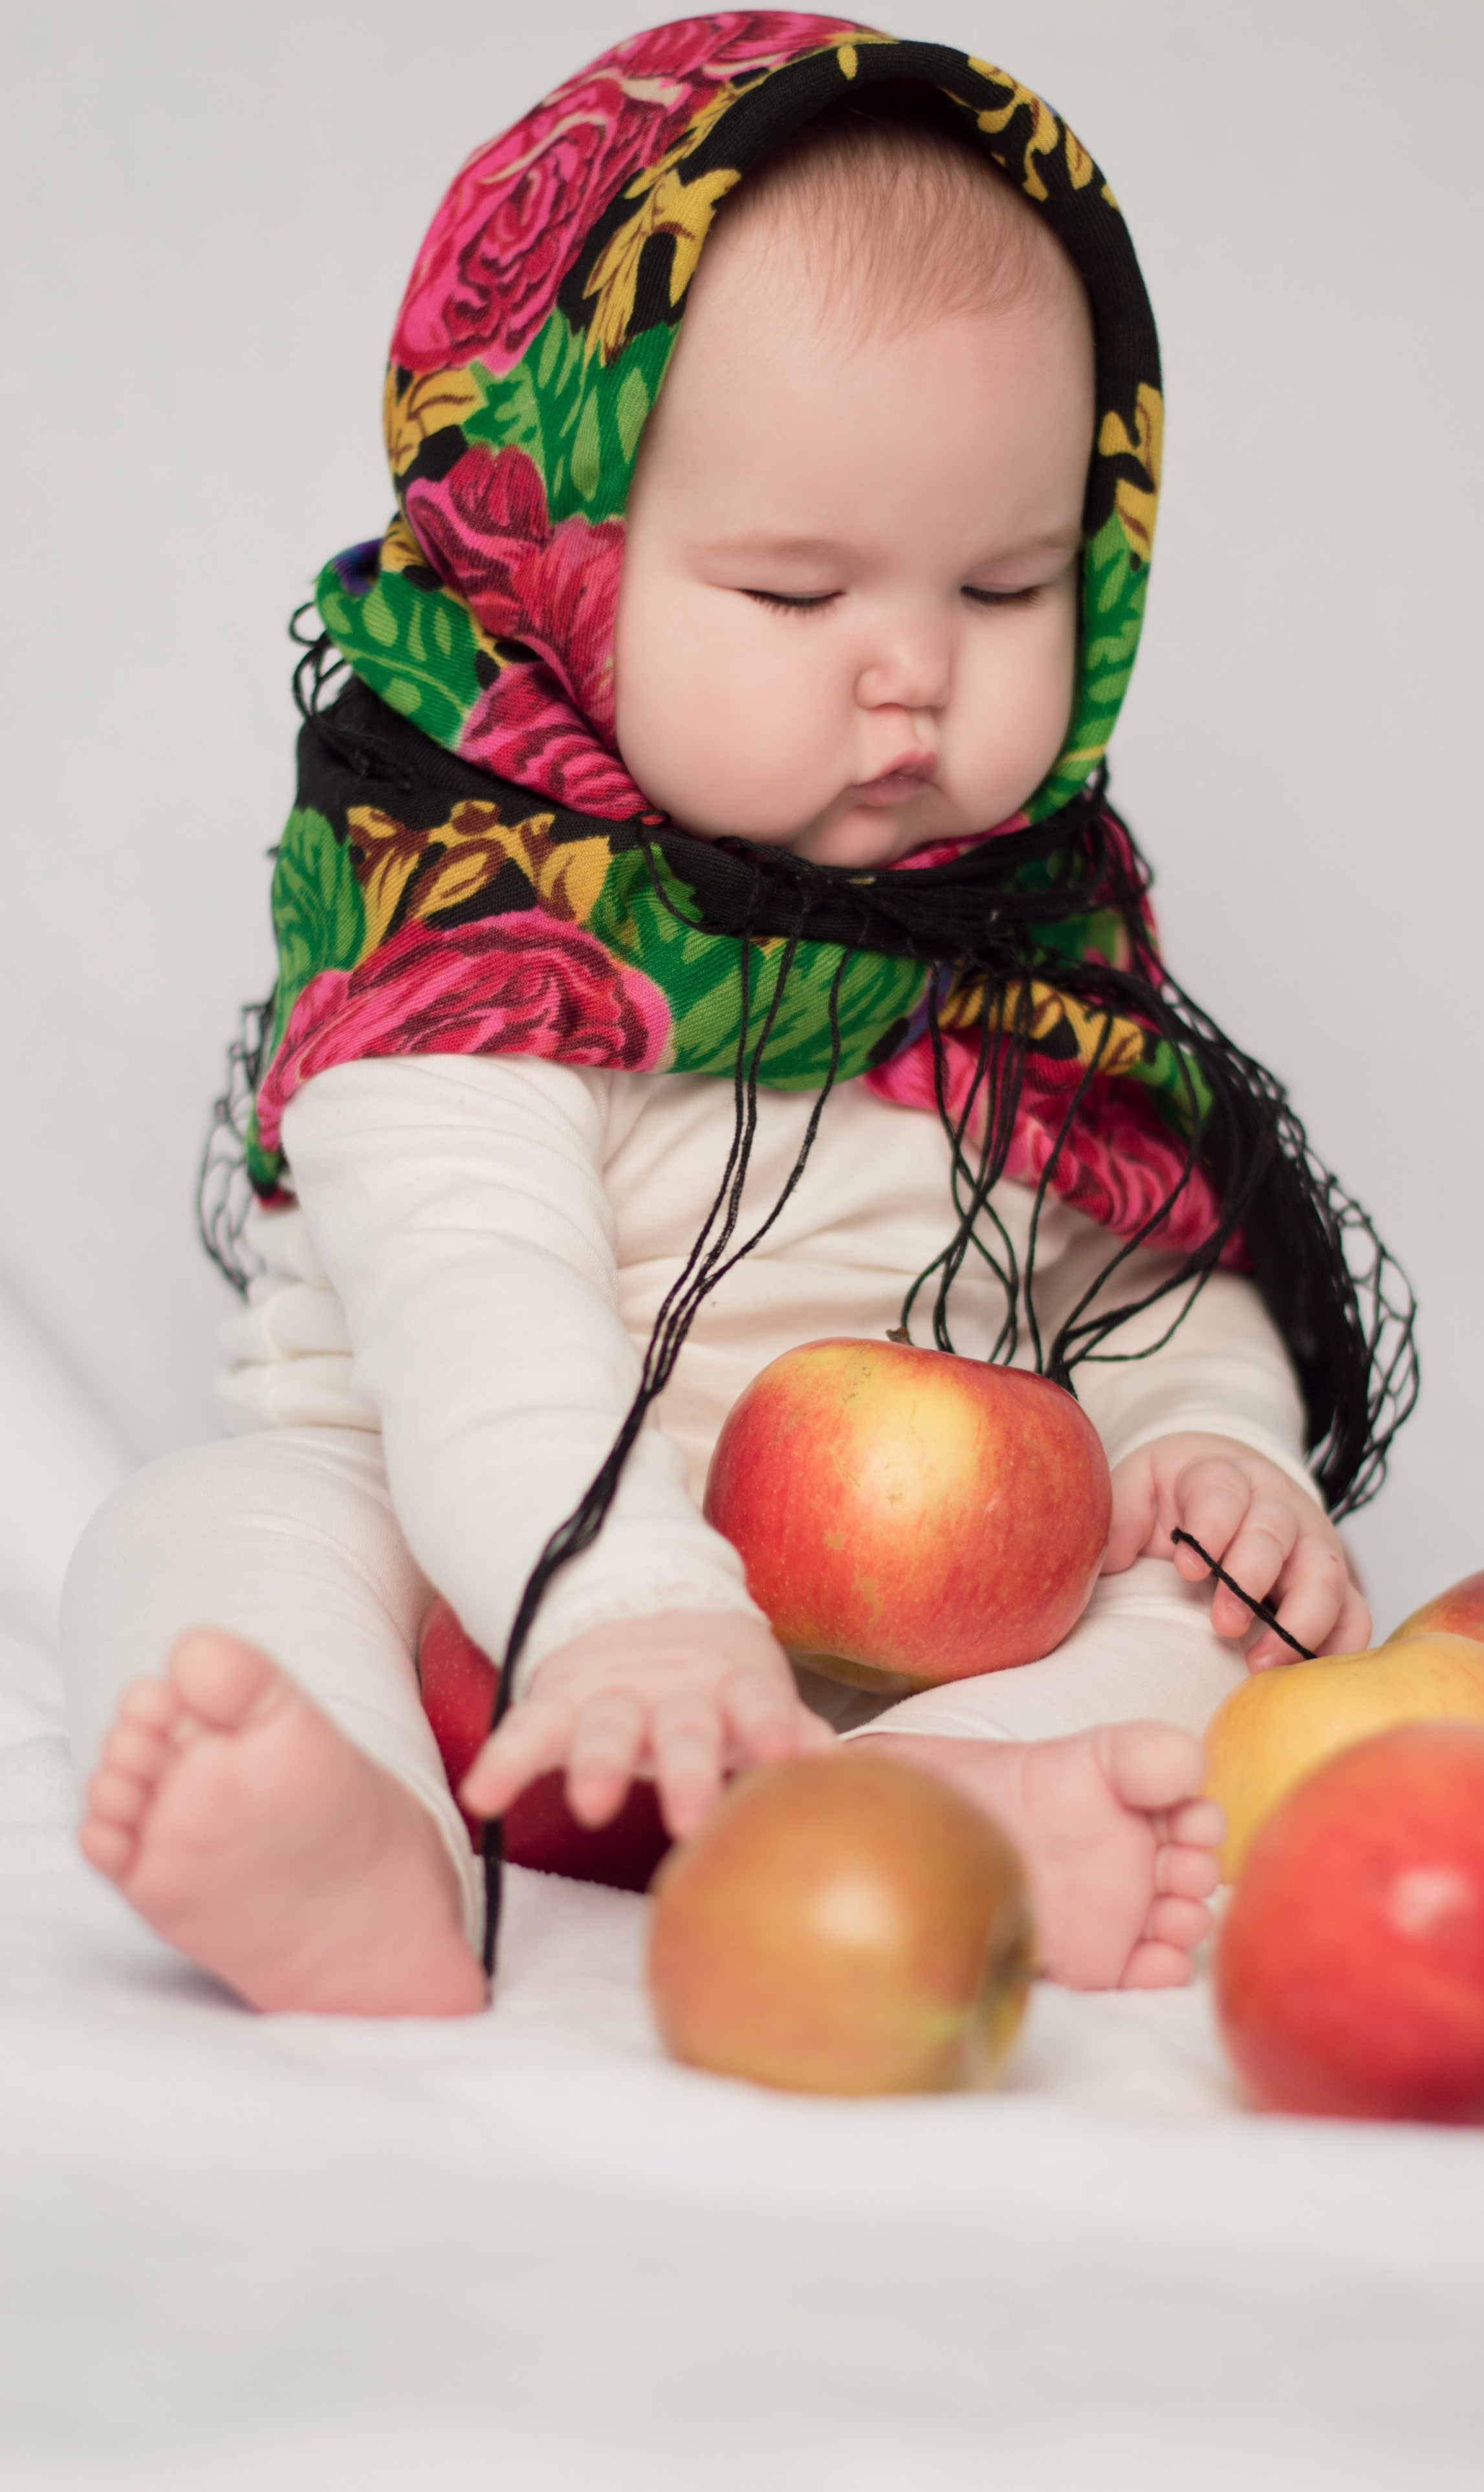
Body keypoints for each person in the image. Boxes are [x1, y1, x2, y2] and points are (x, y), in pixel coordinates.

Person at [61, 16, 1405, 2022]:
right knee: (204, 1531)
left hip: (905, 1631)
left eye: (1010, 584)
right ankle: (355, 1832)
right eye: (796, 596)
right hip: (481, 1583)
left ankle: (943, 1810)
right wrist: (630, 1605)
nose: (913, 684)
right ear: (571, 564)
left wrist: (1219, 1455)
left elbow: (1140, 1273)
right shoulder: (461, 924)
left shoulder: (1029, 938)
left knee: (1226, 1631)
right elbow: (475, 1301)